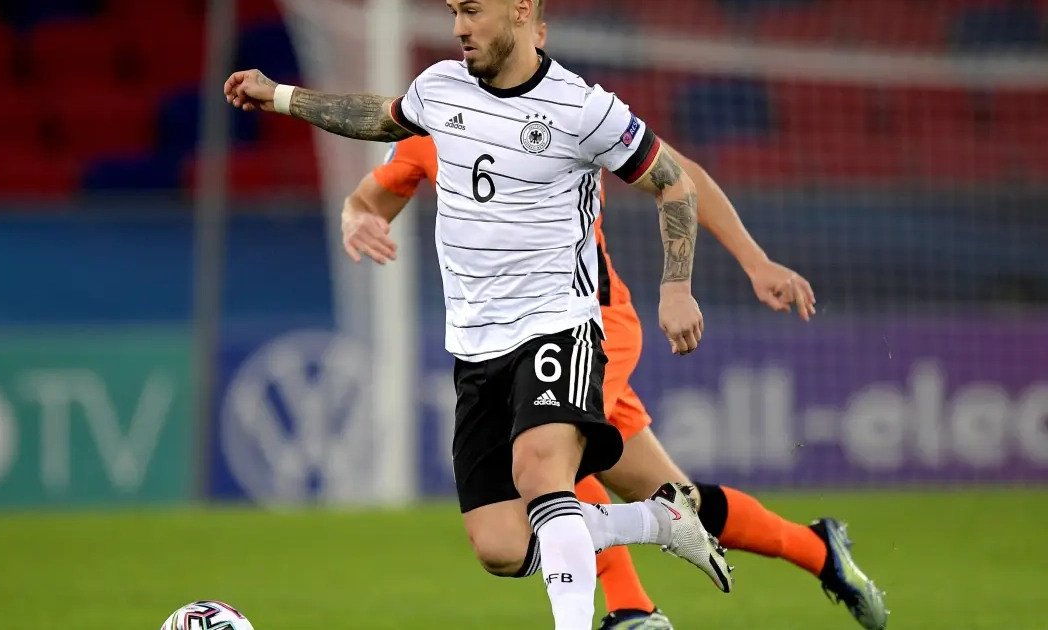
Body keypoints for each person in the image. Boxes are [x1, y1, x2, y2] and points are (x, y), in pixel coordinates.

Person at [338, 11, 887, 630]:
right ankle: (820, 550)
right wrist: (357, 217)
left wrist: (754, 261)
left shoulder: (570, 112)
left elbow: (679, 176)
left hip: (588, 322)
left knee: (550, 458)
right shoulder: (438, 117)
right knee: (667, 495)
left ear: (533, 29)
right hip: (505, 340)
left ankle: (631, 608)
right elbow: (371, 197)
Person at [226, 1, 733, 628]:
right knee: (502, 546)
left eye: (472, 10)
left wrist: (676, 287)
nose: (460, 26)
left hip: (557, 325)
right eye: (453, 11)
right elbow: (376, 117)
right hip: (474, 346)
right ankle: (660, 518)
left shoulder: (583, 108)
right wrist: (278, 96)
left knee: (542, 472)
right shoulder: (439, 87)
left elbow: (673, 181)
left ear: (520, 10)